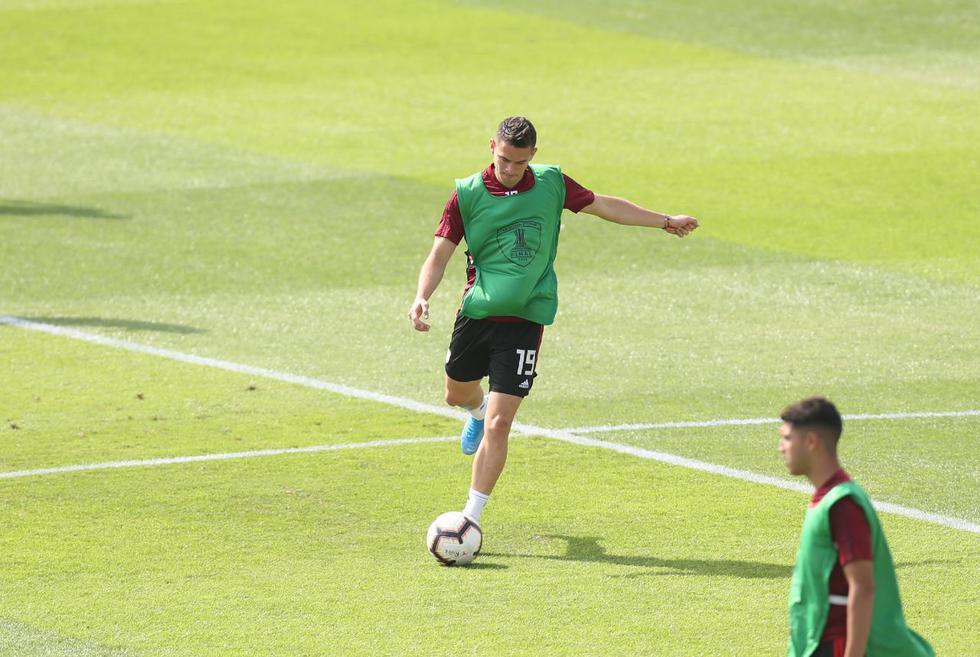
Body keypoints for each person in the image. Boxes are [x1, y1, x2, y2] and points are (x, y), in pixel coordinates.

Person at [408, 116, 699, 526]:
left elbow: (604, 206)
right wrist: (422, 297)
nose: (510, 170)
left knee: (501, 422)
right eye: (504, 159)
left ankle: (470, 517)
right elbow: (439, 254)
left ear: (534, 157)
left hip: (527, 316)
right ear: (491, 146)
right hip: (478, 312)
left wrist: (664, 220)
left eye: (519, 163)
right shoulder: (467, 194)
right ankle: (475, 410)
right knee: (457, 395)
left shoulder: (552, 184)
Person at [779, 396, 934, 657]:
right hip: (817, 643)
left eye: (786, 438)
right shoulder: (828, 499)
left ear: (811, 441)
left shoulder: (843, 505)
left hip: (836, 644)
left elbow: (863, 587)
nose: (780, 448)